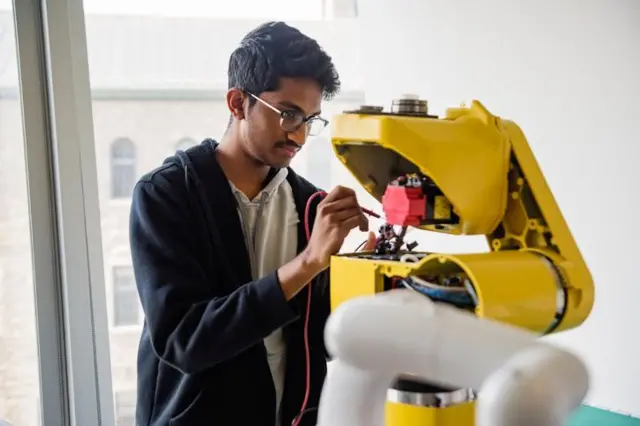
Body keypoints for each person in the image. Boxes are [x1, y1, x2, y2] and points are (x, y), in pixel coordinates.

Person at [129, 21, 376, 426]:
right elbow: (184, 340)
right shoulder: (165, 195)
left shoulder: (311, 203)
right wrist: (309, 262)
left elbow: (317, 336)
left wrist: (361, 280)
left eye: (311, 119)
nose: (299, 135)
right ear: (237, 103)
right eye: (289, 114)